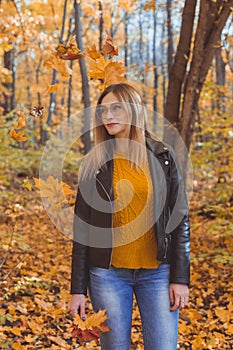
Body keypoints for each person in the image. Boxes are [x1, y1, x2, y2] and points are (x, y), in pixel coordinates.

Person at [69, 83, 190, 350]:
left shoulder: (162, 157)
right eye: (103, 110)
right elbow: (82, 230)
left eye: (116, 108)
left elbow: (179, 219)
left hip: (158, 273)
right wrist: (77, 289)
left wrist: (180, 279)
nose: (107, 116)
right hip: (107, 275)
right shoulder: (94, 164)